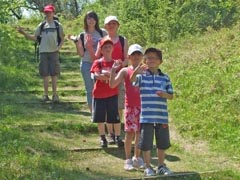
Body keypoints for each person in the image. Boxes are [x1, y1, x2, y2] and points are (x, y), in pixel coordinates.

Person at [130, 47, 174, 176]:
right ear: (145, 61)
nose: (151, 60)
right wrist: (135, 71)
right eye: (148, 58)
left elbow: (171, 95)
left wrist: (164, 94)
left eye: (154, 58)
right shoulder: (141, 76)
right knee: (146, 143)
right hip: (146, 117)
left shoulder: (165, 78)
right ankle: (148, 167)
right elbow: (132, 81)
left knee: (162, 142)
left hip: (161, 116)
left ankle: (161, 165)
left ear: (160, 61)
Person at [17, 4, 64, 103]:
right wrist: (24, 33)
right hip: (43, 52)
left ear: (53, 13)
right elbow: (35, 37)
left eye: (49, 12)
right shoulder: (41, 25)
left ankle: (55, 95)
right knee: (45, 74)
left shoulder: (57, 25)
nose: (47, 14)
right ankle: (46, 95)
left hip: (53, 52)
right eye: (46, 12)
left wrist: (58, 48)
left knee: (54, 74)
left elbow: (62, 37)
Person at [109, 44, 145, 171]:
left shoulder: (146, 70)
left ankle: (137, 157)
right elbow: (112, 84)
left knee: (139, 133)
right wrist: (113, 70)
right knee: (129, 133)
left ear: (142, 56)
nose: (136, 57)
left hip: (143, 106)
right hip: (130, 106)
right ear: (128, 57)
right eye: (133, 54)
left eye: (138, 54)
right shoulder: (125, 71)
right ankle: (128, 159)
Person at [96, 15, 128, 144]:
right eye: (109, 24)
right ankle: (110, 133)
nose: (111, 26)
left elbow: (127, 58)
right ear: (105, 26)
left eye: (114, 23)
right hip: (104, 78)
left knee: (118, 105)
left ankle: (117, 132)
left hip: (119, 76)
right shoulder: (102, 40)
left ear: (118, 25)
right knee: (106, 103)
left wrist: (118, 68)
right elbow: (97, 58)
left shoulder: (122, 39)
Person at [68, 11, 107, 113]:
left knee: (101, 88)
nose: (91, 20)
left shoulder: (103, 33)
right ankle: (93, 113)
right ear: (85, 20)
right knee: (90, 90)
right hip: (86, 64)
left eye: (93, 18)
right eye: (89, 18)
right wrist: (77, 43)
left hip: (100, 64)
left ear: (96, 20)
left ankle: (101, 112)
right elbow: (81, 54)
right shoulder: (82, 34)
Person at [90, 37, 124, 148]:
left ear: (113, 48)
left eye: (109, 46)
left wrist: (106, 74)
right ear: (101, 49)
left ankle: (118, 137)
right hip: (99, 95)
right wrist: (110, 75)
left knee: (115, 117)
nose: (107, 48)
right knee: (100, 118)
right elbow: (96, 76)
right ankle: (103, 138)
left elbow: (120, 77)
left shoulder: (117, 63)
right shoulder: (97, 62)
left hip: (112, 94)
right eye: (105, 47)